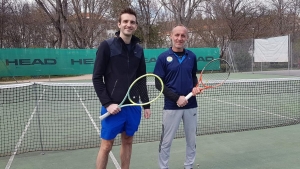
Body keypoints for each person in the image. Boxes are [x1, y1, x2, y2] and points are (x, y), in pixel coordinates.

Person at [92, 7, 151, 169]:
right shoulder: (106, 46)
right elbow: (97, 78)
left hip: (133, 106)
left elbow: (141, 79)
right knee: (106, 146)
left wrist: (146, 104)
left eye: (132, 22)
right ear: (119, 24)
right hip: (113, 107)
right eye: (125, 21)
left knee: (128, 141)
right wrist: (108, 103)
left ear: (136, 26)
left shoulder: (139, 49)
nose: (128, 25)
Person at [153, 25, 202, 169]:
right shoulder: (163, 58)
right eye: (177, 35)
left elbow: (193, 76)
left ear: (187, 38)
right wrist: (176, 98)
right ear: (171, 36)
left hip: (191, 105)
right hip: (171, 106)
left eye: (183, 36)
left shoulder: (191, 56)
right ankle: (163, 167)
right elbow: (158, 83)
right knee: (166, 141)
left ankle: (189, 166)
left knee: (191, 140)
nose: (179, 38)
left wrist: (195, 87)